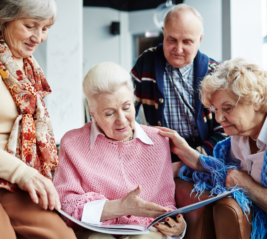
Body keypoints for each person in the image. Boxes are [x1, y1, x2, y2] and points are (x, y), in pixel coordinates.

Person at [158, 58, 267, 238]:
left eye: (227, 108)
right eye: (215, 109)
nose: (219, 118)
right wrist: (188, 154)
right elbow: (227, 174)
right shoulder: (240, 137)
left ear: (257, 99)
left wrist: (252, 189)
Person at [53, 62, 186, 239]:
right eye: (109, 113)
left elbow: (165, 203)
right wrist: (119, 208)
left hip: (146, 232)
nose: (122, 120)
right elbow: (66, 206)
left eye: (126, 107)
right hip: (97, 231)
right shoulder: (72, 143)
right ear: (92, 114)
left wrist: (178, 226)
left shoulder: (158, 140)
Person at [0, 0, 76, 238]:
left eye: (45, 28)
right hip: (14, 173)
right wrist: (23, 174)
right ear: (4, 20)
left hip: (13, 181)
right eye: (31, 26)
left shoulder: (28, 66)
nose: (39, 37)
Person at [131, 4, 224, 166]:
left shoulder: (215, 72)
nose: (178, 49)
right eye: (172, 40)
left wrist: (195, 158)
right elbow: (127, 108)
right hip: (158, 155)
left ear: (199, 39)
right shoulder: (146, 62)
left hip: (205, 155)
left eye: (187, 42)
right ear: (163, 33)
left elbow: (225, 131)